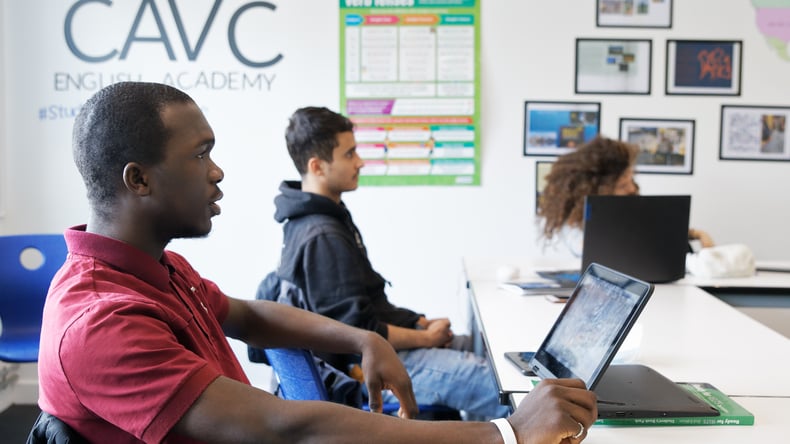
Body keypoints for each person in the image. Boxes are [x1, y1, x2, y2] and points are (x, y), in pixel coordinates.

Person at [36, 82, 597, 443]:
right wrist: (506, 433)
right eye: (201, 154)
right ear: (139, 179)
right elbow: (281, 426)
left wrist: (363, 340)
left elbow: (249, 315)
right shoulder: (101, 321)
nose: (218, 171)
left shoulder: (155, 268)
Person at [272, 107, 511, 421]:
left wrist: (419, 322)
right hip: (362, 369)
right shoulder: (322, 234)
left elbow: (370, 302)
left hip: (374, 349)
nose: (360, 162)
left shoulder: (326, 219)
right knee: (492, 383)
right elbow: (359, 331)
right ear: (317, 166)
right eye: (350, 154)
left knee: (485, 348)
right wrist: (425, 338)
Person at [538, 136, 714, 255]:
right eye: (622, 185)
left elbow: (657, 231)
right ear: (595, 190)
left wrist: (696, 234)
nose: (632, 188)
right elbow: (591, 250)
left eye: (632, 179)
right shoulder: (573, 229)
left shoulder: (632, 211)